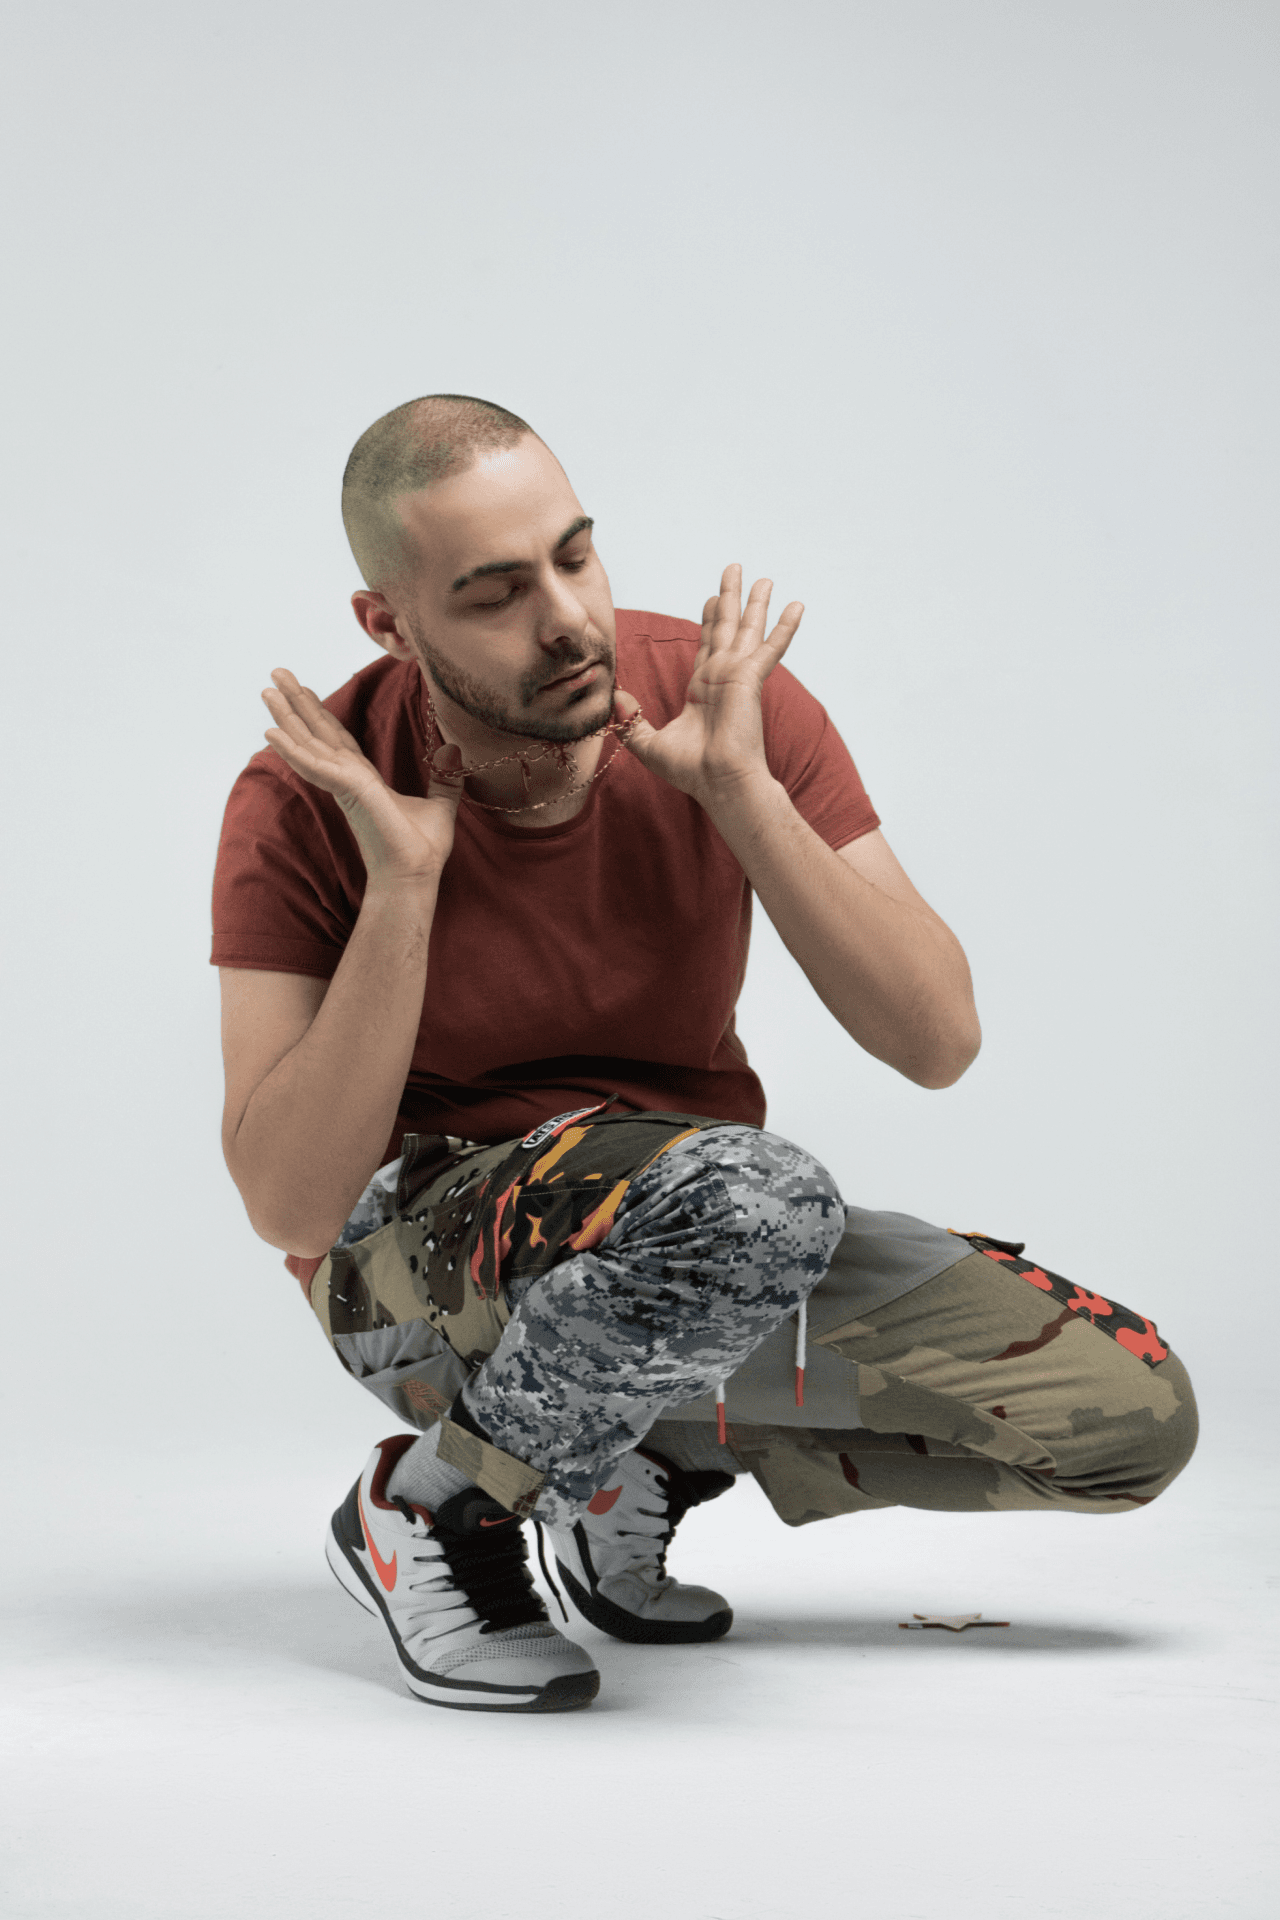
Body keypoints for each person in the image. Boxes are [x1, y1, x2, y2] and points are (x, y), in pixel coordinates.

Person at [212, 394, 1198, 1715]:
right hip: (421, 1276)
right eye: (495, 594)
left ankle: (620, 1458)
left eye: (575, 555)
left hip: (701, 1244)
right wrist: (404, 889)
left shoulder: (719, 702)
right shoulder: (310, 792)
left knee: (1127, 1423)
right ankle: (438, 1503)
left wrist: (742, 793)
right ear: (388, 624)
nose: (568, 619)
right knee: (759, 1195)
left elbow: (937, 1040)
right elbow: (293, 1208)